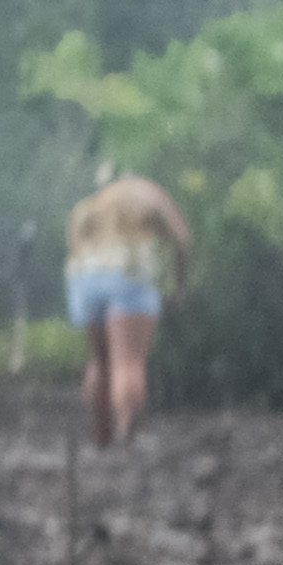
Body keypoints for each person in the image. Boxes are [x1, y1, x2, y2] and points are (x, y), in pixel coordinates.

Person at [65, 165, 194, 448]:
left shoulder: (92, 205)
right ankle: (129, 435)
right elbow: (182, 238)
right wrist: (178, 285)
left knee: (101, 362)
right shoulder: (146, 192)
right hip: (127, 275)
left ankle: (102, 440)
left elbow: (74, 248)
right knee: (129, 361)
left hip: (84, 279)